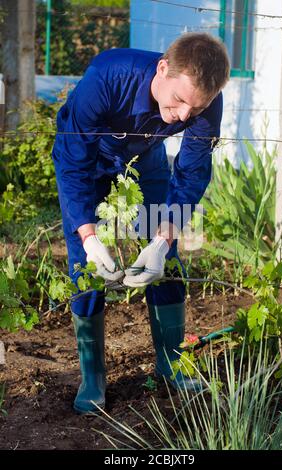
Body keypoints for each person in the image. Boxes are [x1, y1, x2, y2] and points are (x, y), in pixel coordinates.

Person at [52, 33, 230, 414]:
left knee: (166, 261)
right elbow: (73, 161)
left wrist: (162, 241)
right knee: (85, 266)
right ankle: (93, 376)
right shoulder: (106, 78)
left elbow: (191, 173)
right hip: (89, 159)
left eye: (194, 110)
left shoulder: (205, 103)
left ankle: (170, 363)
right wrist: (88, 235)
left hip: (143, 160)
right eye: (180, 101)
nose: (184, 116)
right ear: (163, 69)